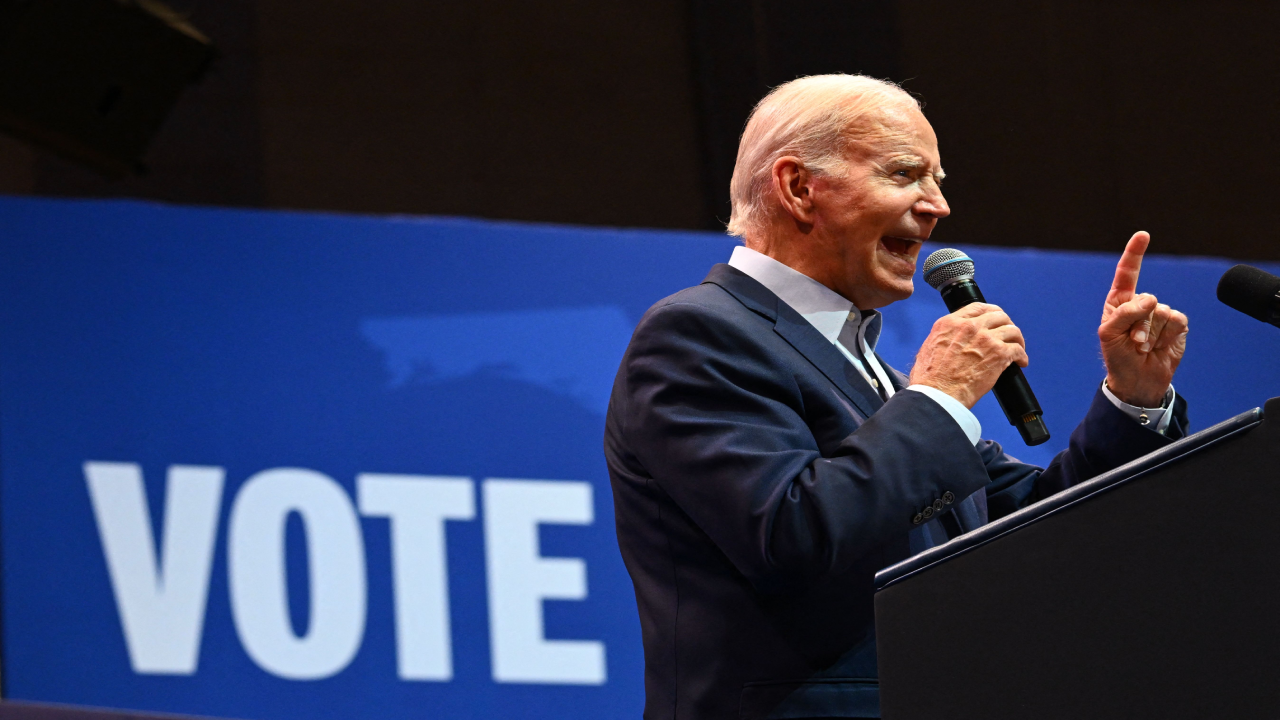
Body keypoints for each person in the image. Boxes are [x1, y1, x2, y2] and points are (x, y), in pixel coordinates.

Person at [603, 74, 1189, 720]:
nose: (936, 205)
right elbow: (790, 533)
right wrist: (939, 399)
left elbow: (1043, 528)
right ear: (799, 188)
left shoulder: (879, 378)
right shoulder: (696, 335)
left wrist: (1133, 403)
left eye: (937, 180)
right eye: (907, 174)